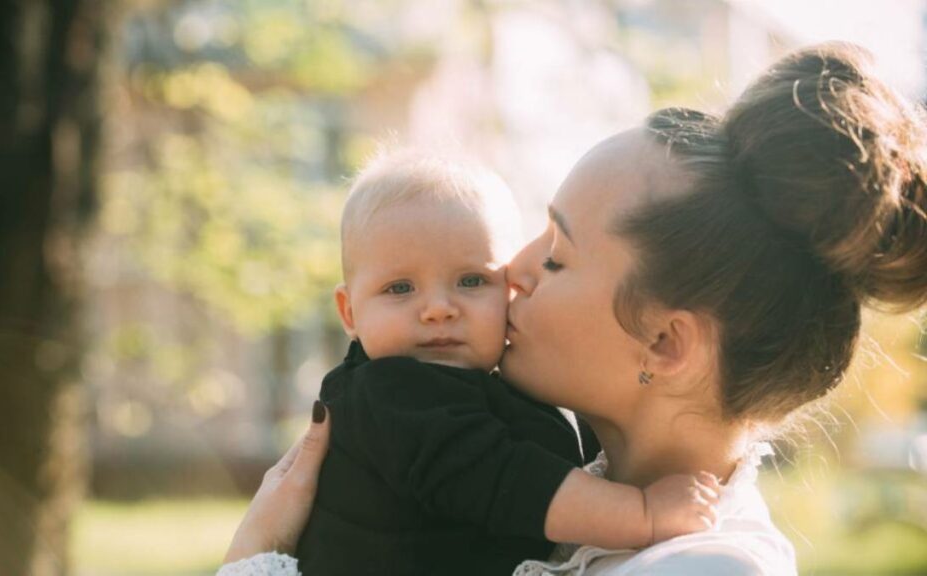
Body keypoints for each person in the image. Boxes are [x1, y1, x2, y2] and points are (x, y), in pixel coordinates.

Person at [218, 42, 927, 575]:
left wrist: (255, 558)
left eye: (556, 256)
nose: (513, 272)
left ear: (665, 344)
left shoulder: (702, 566)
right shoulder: (568, 483)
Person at [295, 152, 720, 576]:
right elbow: (506, 480)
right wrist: (642, 514)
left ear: (508, 287)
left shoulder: (498, 385)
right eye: (400, 288)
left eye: (471, 280)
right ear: (349, 313)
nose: (439, 309)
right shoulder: (388, 393)